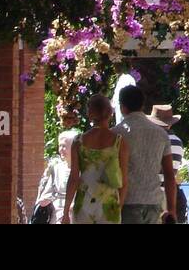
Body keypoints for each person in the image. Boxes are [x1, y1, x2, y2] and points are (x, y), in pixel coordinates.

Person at [114, 85, 177, 224]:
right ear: (142, 105)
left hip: (127, 201)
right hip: (154, 202)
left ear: (122, 106)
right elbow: (169, 174)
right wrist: (171, 209)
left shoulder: (116, 134)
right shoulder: (161, 134)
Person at [62, 95, 127, 224]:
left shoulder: (78, 142)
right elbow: (124, 180)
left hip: (84, 201)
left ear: (89, 114)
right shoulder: (119, 142)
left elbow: (74, 177)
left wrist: (65, 212)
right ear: (110, 113)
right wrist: (119, 207)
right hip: (109, 204)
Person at [148, 103, 187, 223]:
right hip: (171, 194)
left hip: (152, 194)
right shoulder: (178, 142)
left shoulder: (152, 139)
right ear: (170, 124)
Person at [34, 129, 78, 223]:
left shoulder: (84, 169)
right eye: (60, 146)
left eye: (64, 146)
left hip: (76, 215)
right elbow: (48, 192)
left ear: (74, 148)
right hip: (57, 216)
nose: (61, 149)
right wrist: (43, 200)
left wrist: (73, 206)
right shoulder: (56, 168)